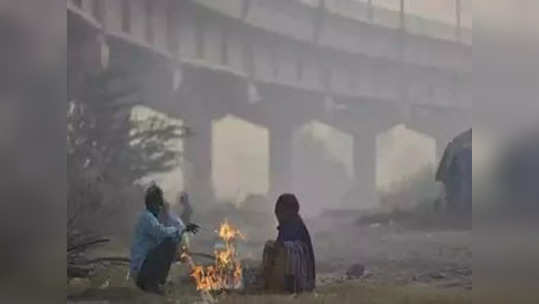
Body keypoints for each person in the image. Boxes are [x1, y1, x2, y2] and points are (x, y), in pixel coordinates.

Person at [130, 184, 199, 295]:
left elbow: (165, 232)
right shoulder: (147, 218)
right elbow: (161, 232)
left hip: (143, 270)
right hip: (141, 273)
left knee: (170, 243)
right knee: (169, 243)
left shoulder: (148, 217)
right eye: (158, 205)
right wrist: (182, 229)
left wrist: (181, 232)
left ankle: (155, 283)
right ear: (153, 204)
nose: (160, 209)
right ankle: (153, 284)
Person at [263, 193, 315, 293]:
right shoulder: (286, 226)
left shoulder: (295, 226)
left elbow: (285, 249)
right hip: (296, 278)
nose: (277, 215)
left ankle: (288, 286)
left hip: (302, 280)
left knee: (285, 250)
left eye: (279, 211)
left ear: (288, 211)